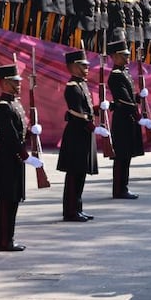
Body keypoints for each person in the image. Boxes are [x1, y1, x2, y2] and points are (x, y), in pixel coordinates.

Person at [0, 64, 44, 251]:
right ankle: (3, 240)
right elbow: (10, 135)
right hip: (7, 157)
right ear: (4, 82)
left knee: (14, 199)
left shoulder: (15, 103)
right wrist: (25, 155)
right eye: (14, 82)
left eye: (19, 82)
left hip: (15, 156)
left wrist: (31, 132)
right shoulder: (3, 106)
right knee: (5, 200)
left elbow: (19, 131)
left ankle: (8, 237)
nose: (18, 85)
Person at [57, 49, 109, 222]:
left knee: (81, 174)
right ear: (72, 67)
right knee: (74, 174)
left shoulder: (82, 84)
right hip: (76, 135)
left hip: (83, 134)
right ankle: (70, 211)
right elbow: (78, 113)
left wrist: (99, 108)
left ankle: (77, 208)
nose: (87, 68)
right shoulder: (72, 87)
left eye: (87, 65)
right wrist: (93, 128)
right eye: (83, 65)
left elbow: (86, 109)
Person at [107, 39, 151, 199]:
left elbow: (130, 97)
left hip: (128, 118)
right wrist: (138, 116)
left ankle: (123, 186)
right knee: (121, 156)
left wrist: (138, 97)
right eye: (123, 55)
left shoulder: (124, 72)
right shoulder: (116, 75)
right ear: (115, 56)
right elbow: (125, 100)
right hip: (123, 119)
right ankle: (119, 189)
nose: (127, 58)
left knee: (127, 156)